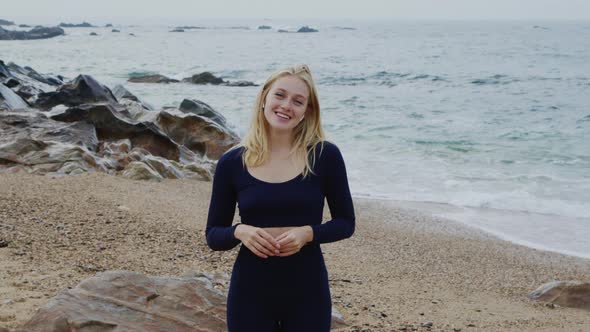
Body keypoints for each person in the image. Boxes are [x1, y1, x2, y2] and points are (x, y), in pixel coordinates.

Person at [205, 64, 355, 332]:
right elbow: (214, 234)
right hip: (249, 291)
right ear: (264, 97)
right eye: (280, 95)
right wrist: (241, 232)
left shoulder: (324, 156)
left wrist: (307, 234)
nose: (287, 106)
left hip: (308, 290)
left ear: (307, 111)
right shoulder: (232, 162)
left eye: (298, 101)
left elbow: (345, 223)